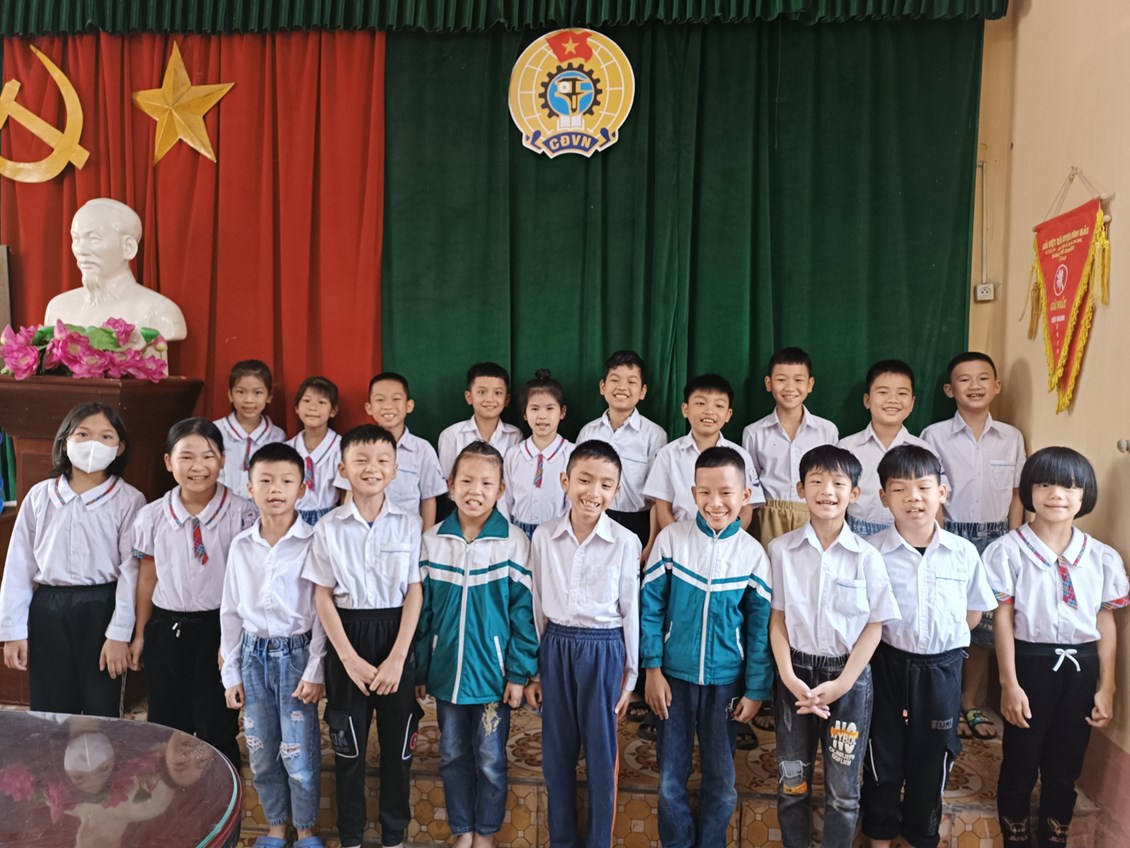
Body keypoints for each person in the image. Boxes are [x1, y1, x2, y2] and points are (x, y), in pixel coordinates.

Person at [983, 447, 1128, 848]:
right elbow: (1003, 619)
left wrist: (1108, 686)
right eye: (1044, 484)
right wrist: (1009, 683)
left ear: (1085, 495)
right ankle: (1015, 836)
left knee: (1066, 764)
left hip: (1081, 669)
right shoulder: (1007, 551)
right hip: (1029, 663)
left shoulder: (1102, 557)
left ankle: (1054, 837)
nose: (1056, 494)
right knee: (1021, 759)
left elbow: (1105, 622)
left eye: (1069, 486)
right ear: (1029, 490)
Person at [861, 445, 997, 848]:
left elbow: (973, 614)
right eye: (899, 489)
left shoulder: (963, 553)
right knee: (882, 756)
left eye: (923, 487)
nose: (913, 498)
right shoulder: (871, 552)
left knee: (933, 757)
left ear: (942, 492)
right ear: (884, 497)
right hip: (885, 664)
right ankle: (879, 837)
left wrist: (940, 643)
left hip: (942, 669)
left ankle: (920, 835)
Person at [768, 445, 900, 848]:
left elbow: (875, 626)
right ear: (800, 489)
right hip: (795, 677)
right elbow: (777, 619)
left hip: (848, 680)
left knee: (843, 791)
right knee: (792, 782)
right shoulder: (782, 550)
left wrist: (842, 683)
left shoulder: (867, 556)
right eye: (817, 481)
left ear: (854, 493)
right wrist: (789, 677)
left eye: (838, 483)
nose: (827, 491)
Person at [641, 446, 772, 848]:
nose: (716, 503)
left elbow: (760, 631)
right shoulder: (671, 541)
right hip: (673, 682)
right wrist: (652, 669)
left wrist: (755, 690)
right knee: (670, 779)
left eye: (726, 493)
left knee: (721, 781)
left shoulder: (753, 555)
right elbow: (650, 609)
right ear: (693, 493)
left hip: (726, 685)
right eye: (706, 493)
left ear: (745, 496)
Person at [302, 424, 423, 848]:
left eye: (382, 460)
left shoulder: (409, 524)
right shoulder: (328, 527)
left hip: (395, 637)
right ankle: (351, 836)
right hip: (347, 637)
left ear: (395, 469)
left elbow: (414, 592)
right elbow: (322, 596)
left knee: (398, 749)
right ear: (342, 469)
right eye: (361, 460)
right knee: (348, 750)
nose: (372, 468)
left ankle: (394, 836)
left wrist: (398, 658)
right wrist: (348, 659)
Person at [415, 441, 537, 848]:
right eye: (466, 481)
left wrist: (518, 673)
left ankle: (485, 833)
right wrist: (420, 668)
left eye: (486, 483)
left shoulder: (514, 543)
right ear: (450, 485)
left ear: (501, 489)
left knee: (490, 759)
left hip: (493, 678)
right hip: (447, 674)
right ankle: (462, 829)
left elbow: (524, 616)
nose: (475, 490)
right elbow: (422, 615)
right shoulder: (432, 541)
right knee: (451, 754)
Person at [525, 440, 641, 848]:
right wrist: (536, 670)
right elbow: (537, 603)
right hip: (556, 646)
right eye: (585, 480)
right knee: (556, 757)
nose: (594, 492)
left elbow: (631, 611)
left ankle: (597, 842)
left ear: (617, 491)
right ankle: (562, 840)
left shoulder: (625, 542)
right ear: (565, 481)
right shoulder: (544, 537)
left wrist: (630, 679)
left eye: (606, 485)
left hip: (604, 650)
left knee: (601, 758)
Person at [127, 418, 257, 769]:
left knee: (217, 722)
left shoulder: (244, 514)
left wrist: (234, 641)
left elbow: (250, 582)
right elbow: (147, 577)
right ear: (168, 461)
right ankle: (174, 798)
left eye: (207, 456)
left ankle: (224, 796)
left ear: (223, 460)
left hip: (220, 629)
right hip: (166, 628)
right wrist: (141, 634)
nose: (198, 466)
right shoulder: (151, 516)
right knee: (167, 723)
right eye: (186, 457)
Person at [0, 402, 145, 716]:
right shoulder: (40, 496)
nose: (93, 444)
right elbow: (18, 566)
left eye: (106, 436)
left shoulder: (129, 500)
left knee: (101, 712)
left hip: (102, 609)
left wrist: (119, 633)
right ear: (65, 441)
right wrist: (13, 631)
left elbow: (131, 572)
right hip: (48, 609)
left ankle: (98, 753)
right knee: (50, 711)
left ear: (120, 447)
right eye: (83, 434)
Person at [221, 442, 327, 848]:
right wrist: (231, 672)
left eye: (285, 481)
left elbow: (321, 613)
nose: (275, 489)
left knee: (298, 750)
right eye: (265, 481)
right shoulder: (241, 545)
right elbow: (231, 611)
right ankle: (276, 826)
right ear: (249, 487)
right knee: (261, 749)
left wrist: (315, 669)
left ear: (302, 489)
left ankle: (306, 829)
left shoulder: (314, 541)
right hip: (252, 656)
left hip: (296, 656)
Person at [921, 352, 1026, 741]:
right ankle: (944, 702)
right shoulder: (934, 436)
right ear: (950, 390)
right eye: (964, 380)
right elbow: (932, 494)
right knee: (947, 619)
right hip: (950, 534)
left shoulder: (1012, 438)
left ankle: (972, 702)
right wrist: (939, 539)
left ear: (997, 386)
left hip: (998, 537)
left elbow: (1017, 494)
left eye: (983, 378)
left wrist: (1012, 542)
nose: (975, 386)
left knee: (984, 626)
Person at [46, 197, 187, 341]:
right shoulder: (58, 309)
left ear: (128, 247)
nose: (81, 250)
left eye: (94, 238)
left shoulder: (159, 311)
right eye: (76, 239)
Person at [742, 347, 839, 547]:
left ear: (810, 384)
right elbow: (751, 484)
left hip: (814, 514)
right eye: (781, 379)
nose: (789, 387)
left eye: (798, 380)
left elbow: (835, 478)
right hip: (768, 516)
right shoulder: (754, 433)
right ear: (768, 383)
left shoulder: (826, 430)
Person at [643, 374, 763, 533]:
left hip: (727, 541)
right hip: (680, 539)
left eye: (719, 405)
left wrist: (728, 538)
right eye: (700, 403)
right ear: (685, 409)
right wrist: (679, 541)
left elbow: (747, 508)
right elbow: (662, 507)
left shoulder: (741, 455)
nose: (709, 411)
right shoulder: (668, 454)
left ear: (728, 415)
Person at [837, 360, 941, 537]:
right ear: (867, 400)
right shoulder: (847, 447)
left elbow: (934, 504)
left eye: (902, 393)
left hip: (909, 535)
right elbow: (838, 500)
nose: (893, 400)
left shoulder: (924, 450)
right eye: (883, 392)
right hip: (857, 535)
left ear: (912, 403)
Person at [576, 350, 668, 547]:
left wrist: (651, 544)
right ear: (603, 387)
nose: (622, 387)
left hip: (638, 523)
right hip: (593, 518)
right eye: (615, 380)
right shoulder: (588, 432)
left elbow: (657, 497)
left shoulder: (654, 435)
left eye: (631, 381)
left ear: (642, 391)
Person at [366, 371, 447, 529]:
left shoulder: (422, 449)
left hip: (408, 536)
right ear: (369, 408)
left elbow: (428, 499)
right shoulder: (359, 447)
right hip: (368, 534)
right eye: (380, 400)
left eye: (396, 399)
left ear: (409, 406)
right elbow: (349, 494)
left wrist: (425, 537)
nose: (388, 406)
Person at [503, 369, 573, 539]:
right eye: (534, 409)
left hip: (557, 532)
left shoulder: (572, 454)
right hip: (518, 532)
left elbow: (573, 502)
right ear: (525, 414)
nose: (542, 416)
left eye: (550, 408)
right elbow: (505, 500)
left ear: (562, 412)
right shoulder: (514, 454)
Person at [437, 362, 522, 478]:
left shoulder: (515, 436)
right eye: (482, 392)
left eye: (498, 393)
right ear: (469, 397)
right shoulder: (452, 435)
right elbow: (447, 481)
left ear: (506, 400)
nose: (490, 399)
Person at [214, 359, 287, 493]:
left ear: (269, 396)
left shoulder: (277, 436)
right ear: (230, 395)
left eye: (257, 393)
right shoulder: (215, 431)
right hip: (222, 503)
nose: (249, 400)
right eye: (241, 392)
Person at [288, 375, 348, 525]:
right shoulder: (287, 449)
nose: (312, 407)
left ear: (333, 411)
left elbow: (345, 494)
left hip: (329, 520)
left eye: (321, 402)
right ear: (296, 408)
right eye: (306, 401)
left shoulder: (342, 448)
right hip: (291, 519)